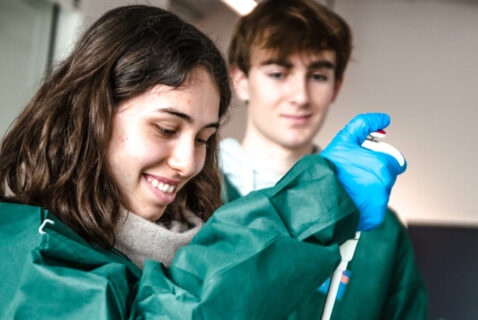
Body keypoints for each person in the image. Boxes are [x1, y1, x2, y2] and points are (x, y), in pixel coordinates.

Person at [1, 4, 403, 320]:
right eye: (164, 128)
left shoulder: (195, 219)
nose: (187, 162)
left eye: (204, 139)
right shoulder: (31, 241)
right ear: (91, 114)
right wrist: (313, 204)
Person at [220, 0, 428, 318]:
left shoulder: (379, 231)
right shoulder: (189, 199)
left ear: (336, 86)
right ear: (240, 81)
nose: (300, 96)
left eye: (317, 76)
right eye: (278, 73)